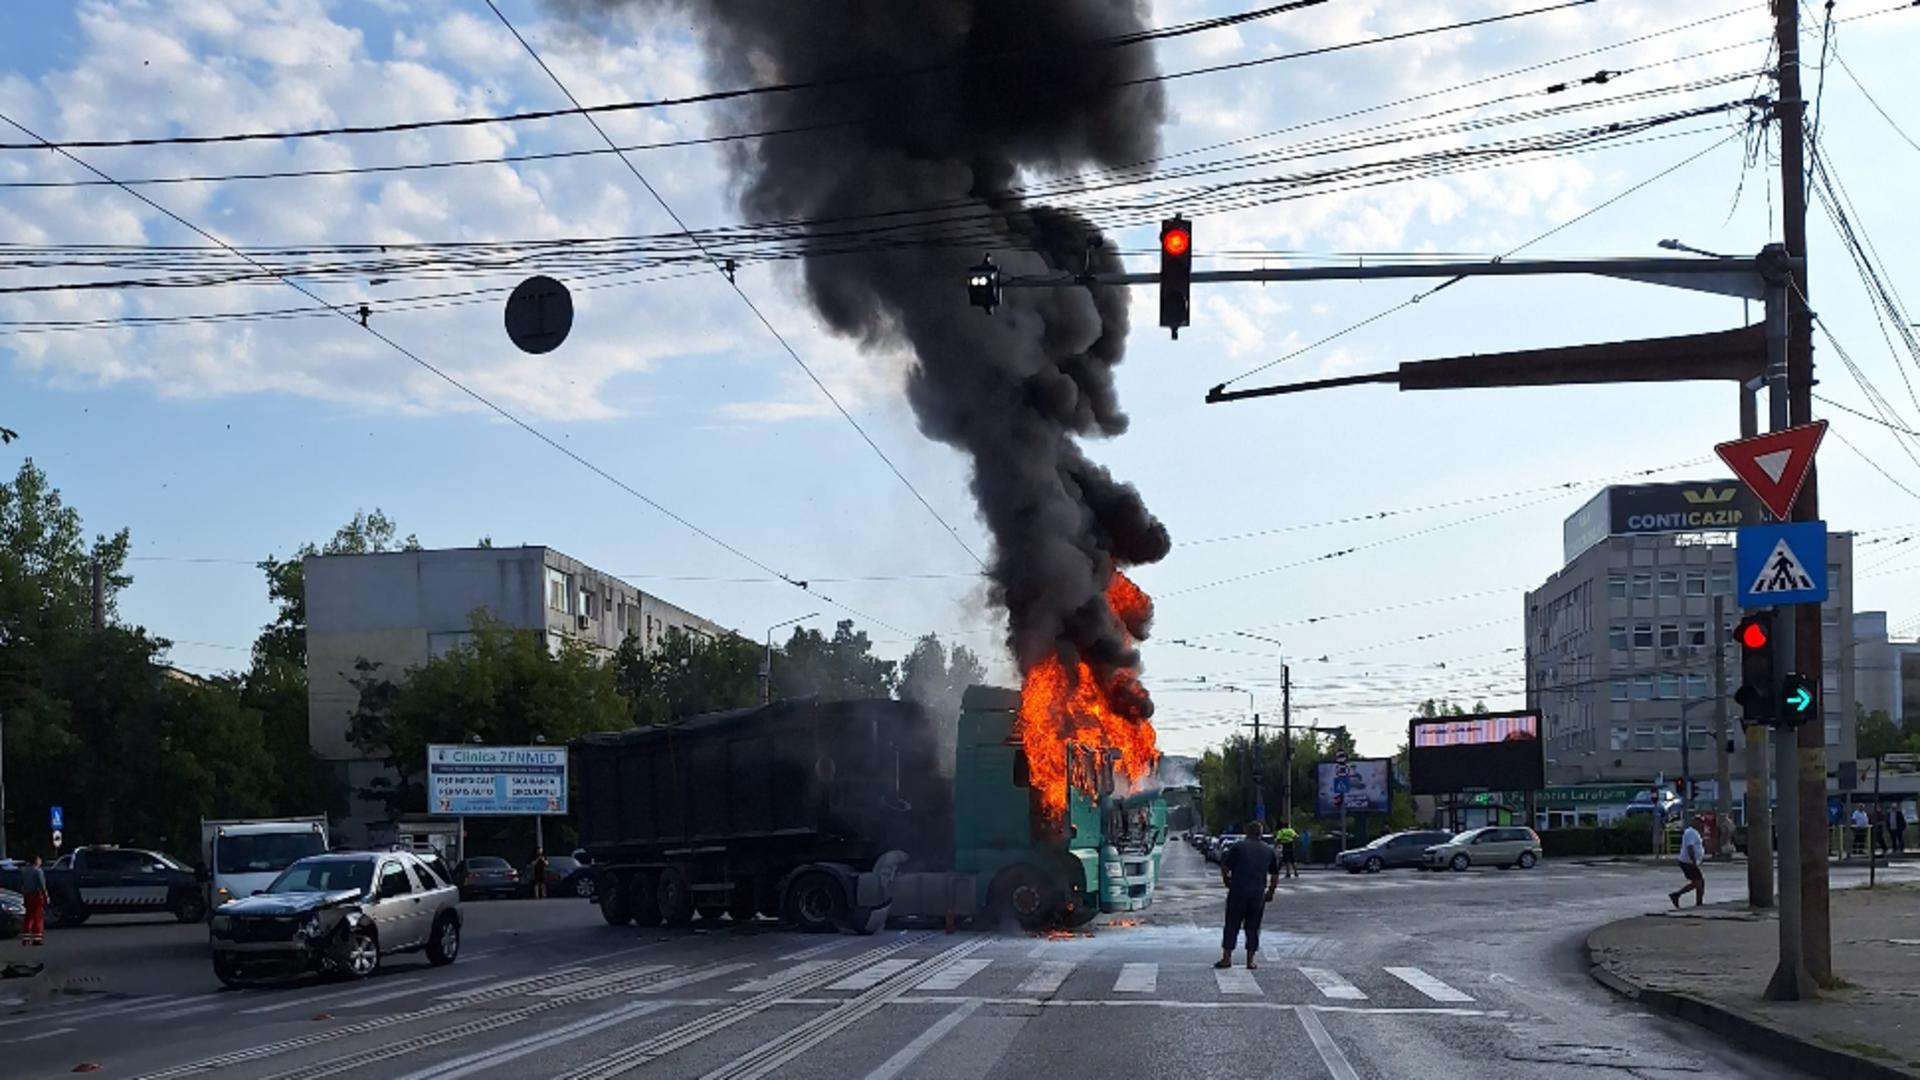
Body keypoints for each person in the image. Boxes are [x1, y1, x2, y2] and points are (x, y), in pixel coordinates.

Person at [1216, 820, 1279, 971]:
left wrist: (1226, 880)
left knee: (1232, 925)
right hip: (1257, 894)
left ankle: (1226, 958)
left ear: (1247, 832)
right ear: (1261, 833)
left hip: (1238, 891)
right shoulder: (1269, 851)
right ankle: (1250, 961)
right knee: (1253, 927)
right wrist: (1270, 891)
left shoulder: (1237, 847)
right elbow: (1275, 874)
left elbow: (1225, 867)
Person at [1669, 815, 1706, 909]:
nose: (1701, 824)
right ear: (1694, 822)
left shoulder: (1694, 832)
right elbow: (1690, 847)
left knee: (1698, 882)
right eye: (1699, 822)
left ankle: (1696, 902)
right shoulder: (1690, 832)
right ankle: (1678, 895)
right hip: (1688, 862)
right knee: (1699, 882)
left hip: (1689, 862)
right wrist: (1693, 861)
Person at [19, 854, 47, 946]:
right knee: (38, 917)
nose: (40, 862)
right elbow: (42, 885)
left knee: (28, 917)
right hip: (36, 895)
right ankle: (37, 939)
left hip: (27, 896)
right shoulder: (38, 871)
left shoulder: (23, 871)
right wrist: (46, 896)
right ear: (36, 861)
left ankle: (25, 938)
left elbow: (21, 884)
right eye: (39, 860)